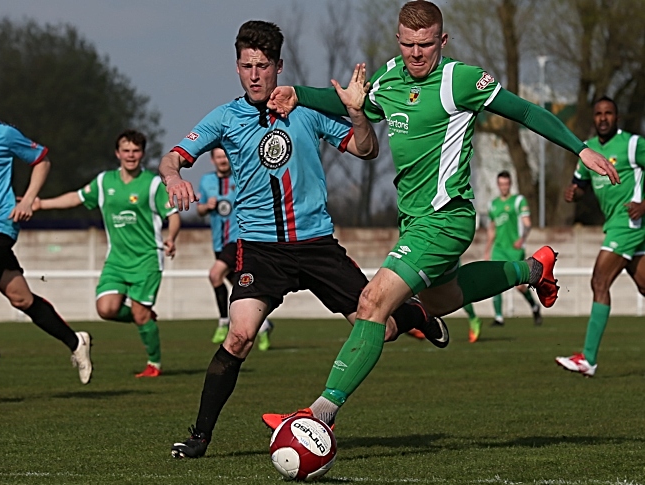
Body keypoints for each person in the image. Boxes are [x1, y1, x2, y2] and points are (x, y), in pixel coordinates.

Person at [262, 0, 619, 430]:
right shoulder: (390, 78)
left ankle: (320, 415)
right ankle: (531, 269)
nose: (417, 53)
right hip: (414, 221)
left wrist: (580, 148)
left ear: (442, 41)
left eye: (426, 45)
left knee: (372, 303)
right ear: (399, 41)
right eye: (409, 44)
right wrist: (299, 94)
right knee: (442, 300)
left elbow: (525, 110)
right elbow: (349, 103)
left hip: (446, 218)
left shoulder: (460, 80)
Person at [160, 20, 445, 459]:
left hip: (315, 246)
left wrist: (354, 112)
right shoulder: (225, 116)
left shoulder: (307, 110)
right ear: (237, 67)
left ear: (278, 66)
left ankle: (413, 316)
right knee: (238, 337)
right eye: (245, 66)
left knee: (382, 329)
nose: (254, 75)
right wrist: (174, 176)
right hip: (260, 250)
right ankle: (199, 436)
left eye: (262, 65)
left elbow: (366, 150)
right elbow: (172, 157)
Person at [0, 66, 92, 389]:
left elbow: (42, 160)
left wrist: (28, 200)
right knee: (21, 299)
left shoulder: (3, 133)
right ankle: (76, 341)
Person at [31, 129, 180, 377]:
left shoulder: (153, 184)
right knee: (106, 309)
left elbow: (173, 216)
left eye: (135, 151)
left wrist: (171, 238)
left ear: (142, 154)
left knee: (140, 313)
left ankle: (154, 364)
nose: (130, 155)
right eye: (126, 150)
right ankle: (142, 317)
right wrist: (41, 204)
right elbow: (76, 198)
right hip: (116, 260)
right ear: (117, 153)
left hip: (147, 259)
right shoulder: (104, 182)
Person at [556, 96, 645, 377]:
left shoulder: (633, 144)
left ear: (617, 118)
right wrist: (574, 193)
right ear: (593, 118)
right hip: (617, 224)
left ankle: (588, 359)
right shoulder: (589, 150)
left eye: (609, 113)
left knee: (599, 280)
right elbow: (580, 182)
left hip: (628, 223)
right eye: (598, 114)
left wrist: (644, 205)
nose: (603, 118)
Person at [197, 147, 274, 350]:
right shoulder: (206, 181)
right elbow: (199, 209)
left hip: (238, 239)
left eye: (225, 156)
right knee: (239, 287)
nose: (223, 160)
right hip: (218, 242)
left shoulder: (241, 178)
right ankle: (264, 325)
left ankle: (223, 321)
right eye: (218, 157)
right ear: (213, 160)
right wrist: (206, 206)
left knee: (215, 275)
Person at [484, 171, 542, 328]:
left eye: (506, 184)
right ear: (498, 185)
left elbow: (527, 223)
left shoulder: (518, 201)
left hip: (515, 249)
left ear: (510, 184)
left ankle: (535, 307)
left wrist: (522, 239)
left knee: (519, 286)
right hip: (499, 249)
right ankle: (498, 317)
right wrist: (488, 249)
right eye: (501, 184)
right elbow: (492, 228)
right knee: (495, 282)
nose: (504, 187)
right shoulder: (493, 204)